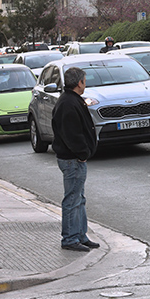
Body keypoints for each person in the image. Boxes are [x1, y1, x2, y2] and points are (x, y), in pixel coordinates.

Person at [52, 66, 98, 252]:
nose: (85, 84)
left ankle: (80, 235)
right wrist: (83, 153)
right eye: (84, 81)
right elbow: (72, 134)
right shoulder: (68, 104)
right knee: (72, 199)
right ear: (79, 83)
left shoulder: (71, 101)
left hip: (74, 158)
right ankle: (70, 238)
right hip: (72, 159)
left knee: (79, 198)